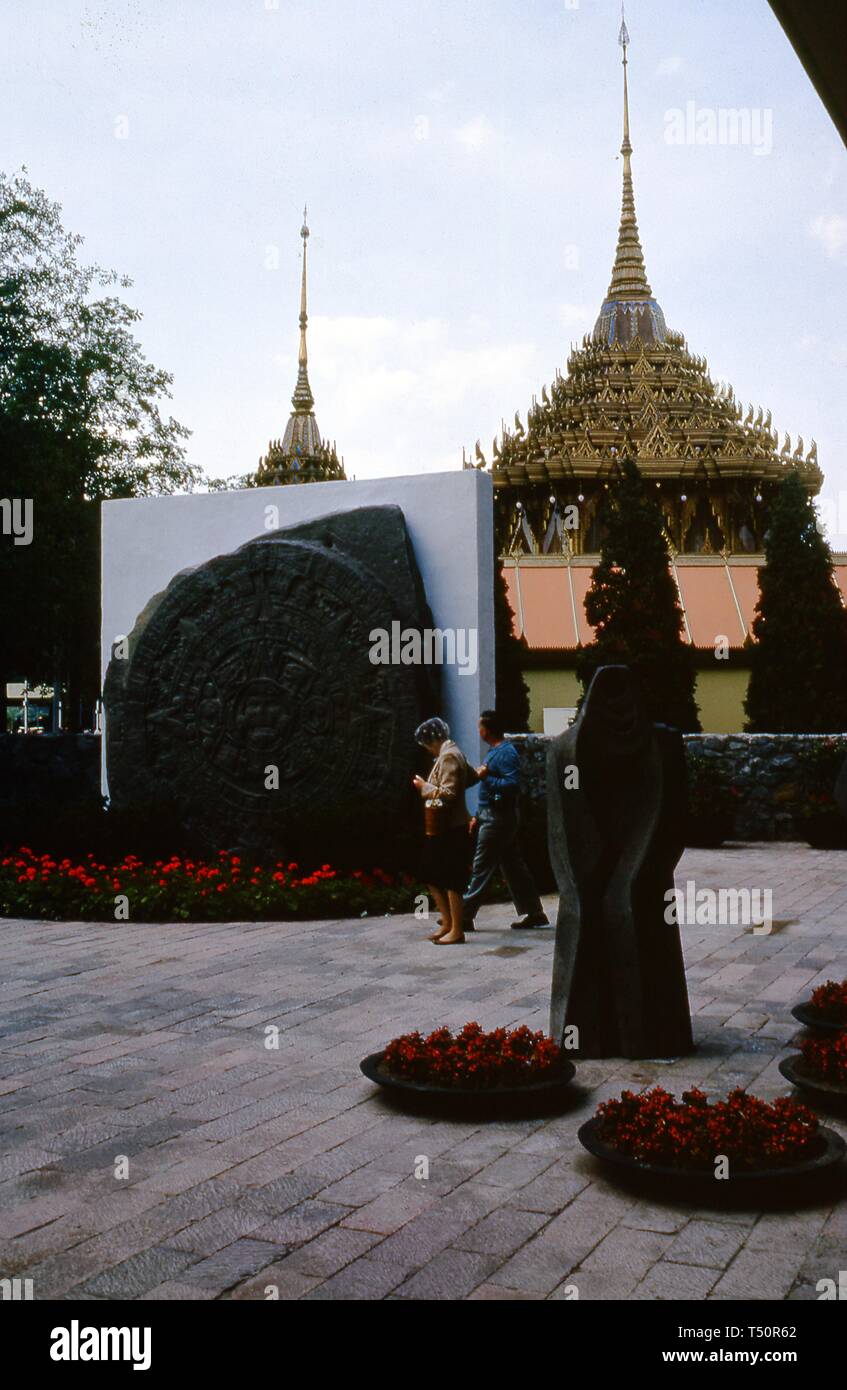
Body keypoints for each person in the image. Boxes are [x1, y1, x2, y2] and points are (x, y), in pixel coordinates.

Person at [463, 709, 549, 931]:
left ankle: (463, 915)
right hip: (492, 816)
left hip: (498, 818)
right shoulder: (495, 751)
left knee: (481, 866)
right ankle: (535, 912)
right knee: (513, 867)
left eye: (480, 726)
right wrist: (477, 815)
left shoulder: (506, 753)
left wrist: (486, 777)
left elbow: (511, 785)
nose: (478, 730)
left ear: (488, 729)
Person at [412, 717, 476, 945]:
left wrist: (424, 787)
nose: (427, 749)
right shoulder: (453, 752)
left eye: (427, 744)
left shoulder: (448, 756)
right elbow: (471, 776)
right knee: (431, 873)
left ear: (434, 740)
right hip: (449, 826)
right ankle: (448, 923)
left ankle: (456, 929)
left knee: (450, 878)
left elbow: (448, 794)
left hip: (450, 826)